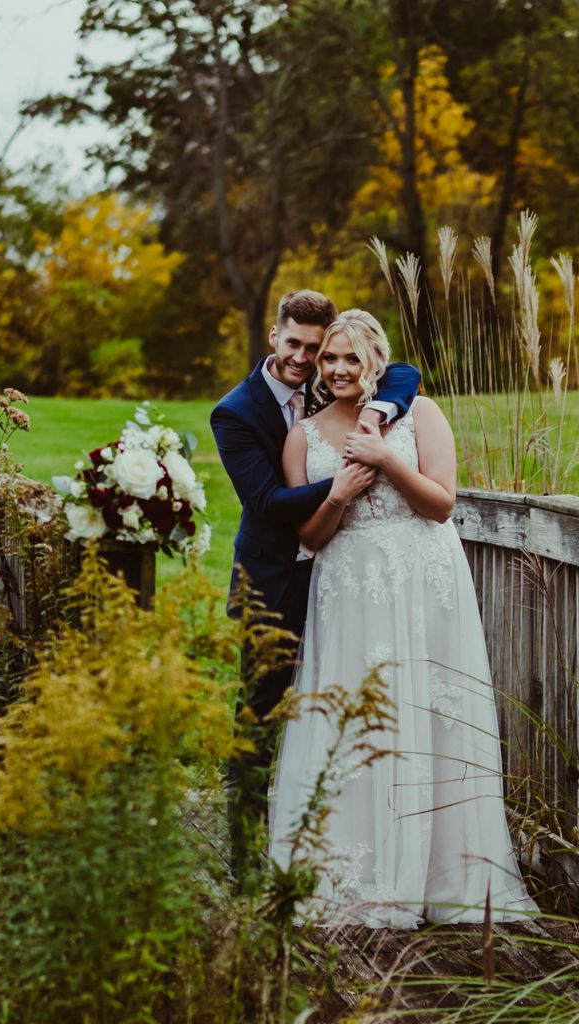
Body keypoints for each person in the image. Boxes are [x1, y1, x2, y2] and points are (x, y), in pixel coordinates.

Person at [266, 309, 537, 928]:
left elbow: (441, 505)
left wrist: (385, 460)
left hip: (424, 581)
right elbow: (307, 537)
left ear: (375, 362)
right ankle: (358, 873)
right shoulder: (302, 437)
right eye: (328, 359)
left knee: (430, 712)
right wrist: (338, 492)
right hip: (350, 587)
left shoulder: (421, 413)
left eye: (349, 359)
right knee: (357, 716)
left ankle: (444, 874)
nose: (335, 369)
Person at [211, 290, 421, 876]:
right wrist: (344, 485)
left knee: (343, 698)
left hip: (345, 576)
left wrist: (380, 414)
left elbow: (403, 370)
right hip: (276, 578)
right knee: (263, 706)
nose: (307, 359)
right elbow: (266, 500)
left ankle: (347, 829)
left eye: (317, 347)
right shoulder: (235, 411)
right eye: (296, 345)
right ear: (274, 336)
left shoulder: (340, 378)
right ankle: (244, 848)